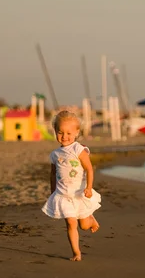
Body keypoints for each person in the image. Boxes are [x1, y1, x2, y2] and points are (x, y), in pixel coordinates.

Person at [42, 110, 101, 261]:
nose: (64, 136)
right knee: (71, 222)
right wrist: (53, 191)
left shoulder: (78, 149)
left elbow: (89, 168)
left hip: (79, 193)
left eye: (68, 133)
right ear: (55, 132)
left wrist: (89, 187)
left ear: (76, 132)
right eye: (60, 132)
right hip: (63, 195)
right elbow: (53, 174)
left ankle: (90, 218)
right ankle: (76, 252)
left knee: (83, 226)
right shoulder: (55, 154)